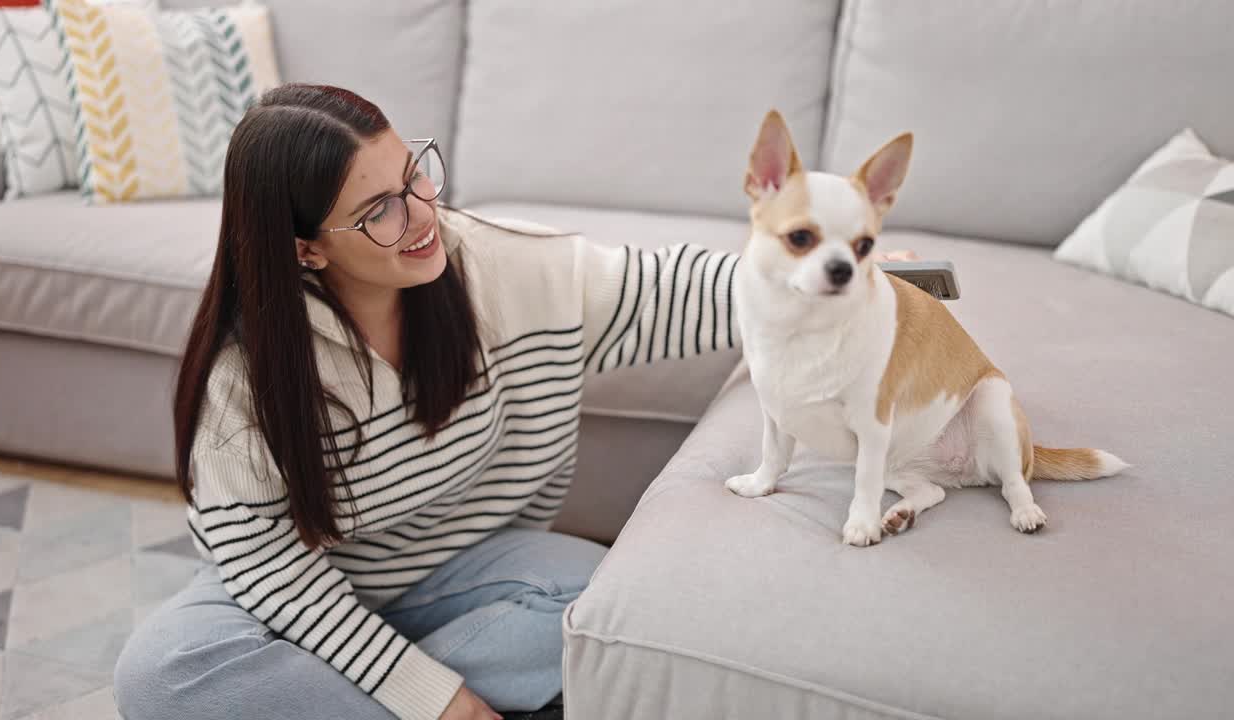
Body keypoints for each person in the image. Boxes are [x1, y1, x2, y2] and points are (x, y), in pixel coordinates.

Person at [113, 83, 910, 720]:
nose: (424, 214)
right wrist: (440, 701)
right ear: (306, 250)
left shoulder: (500, 266)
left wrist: (902, 282)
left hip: (468, 576)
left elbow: (694, 291)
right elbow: (275, 577)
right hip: (306, 595)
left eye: (412, 173)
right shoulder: (244, 378)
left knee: (612, 604)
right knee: (164, 674)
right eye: (378, 210)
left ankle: (326, 694)